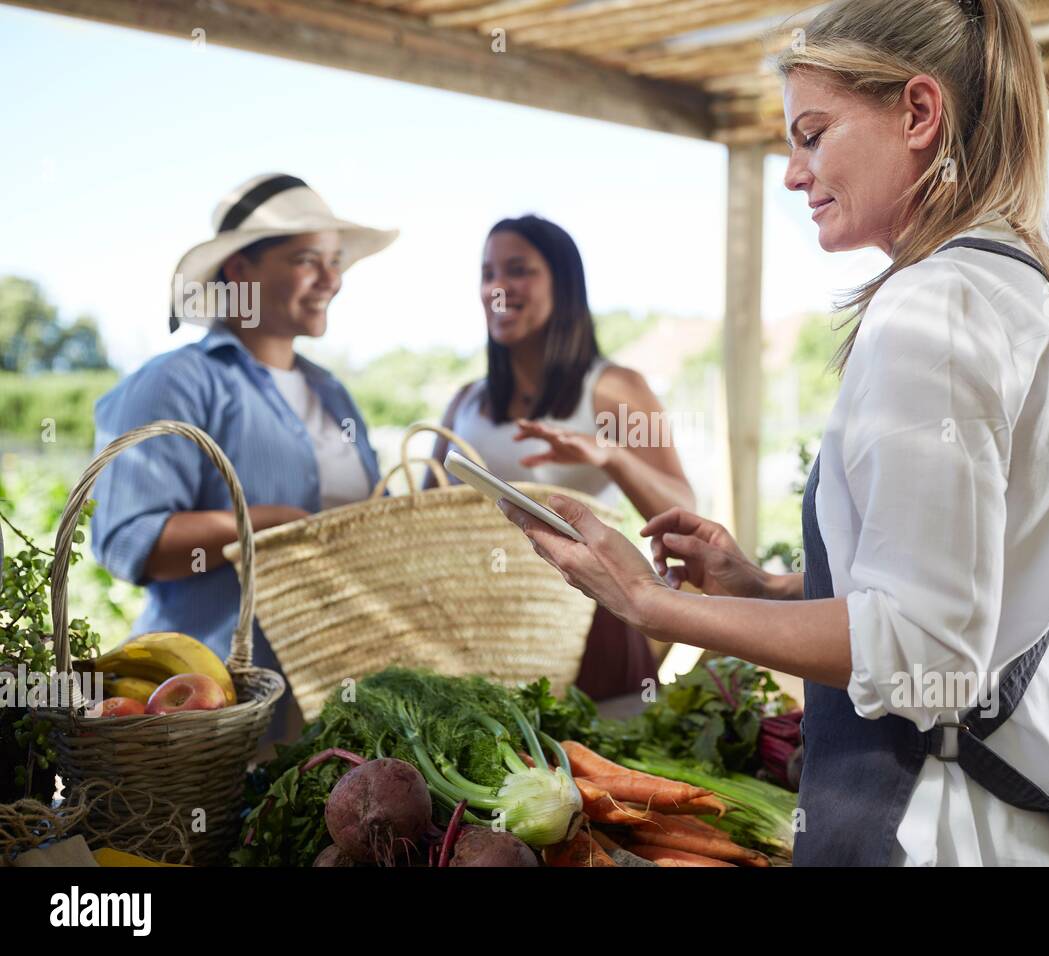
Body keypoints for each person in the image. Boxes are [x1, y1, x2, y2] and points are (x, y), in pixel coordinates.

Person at [497, 0, 1049, 866]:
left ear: (919, 113)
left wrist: (650, 603)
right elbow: (972, 591)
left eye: (813, 133)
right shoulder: (1033, 293)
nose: (794, 174)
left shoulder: (931, 307)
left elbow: (922, 650)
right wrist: (762, 589)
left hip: (934, 832)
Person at [92, 173, 397, 741]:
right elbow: (127, 538)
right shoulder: (177, 383)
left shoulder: (333, 394)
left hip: (333, 696)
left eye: (336, 261)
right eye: (308, 259)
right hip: (211, 704)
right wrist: (270, 527)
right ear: (240, 271)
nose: (332, 279)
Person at [428, 214, 695, 699]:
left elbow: (684, 512)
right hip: (481, 635)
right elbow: (423, 518)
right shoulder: (464, 403)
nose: (498, 287)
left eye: (519, 270)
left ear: (563, 283)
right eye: (488, 273)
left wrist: (612, 456)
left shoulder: (613, 388)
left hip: (591, 622)